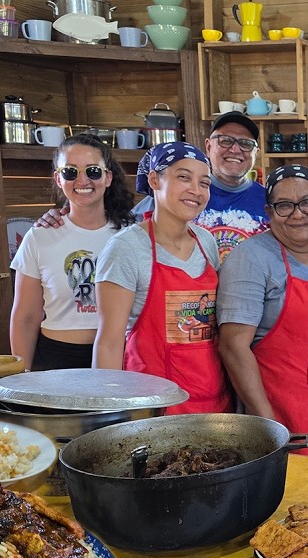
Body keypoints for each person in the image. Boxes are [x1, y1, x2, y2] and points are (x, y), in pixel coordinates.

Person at [218, 165, 308, 460]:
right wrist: (270, 425)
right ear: (269, 212)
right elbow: (233, 346)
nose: (298, 214)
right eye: (284, 205)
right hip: (292, 417)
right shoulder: (250, 258)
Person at [93, 142, 229, 415]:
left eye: (204, 183)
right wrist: (109, 413)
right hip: (153, 406)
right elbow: (109, 341)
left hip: (212, 401)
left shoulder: (206, 242)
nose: (196, 190)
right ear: (154, 179)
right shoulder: (126, 248)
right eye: (183, 177)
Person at [35, 113, 269, 263]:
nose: (235, 150)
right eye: (225, 141)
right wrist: (67, 214)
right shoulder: (168, 197)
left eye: (246, 144)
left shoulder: (269, 201)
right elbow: (114, 227)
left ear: (256, 152)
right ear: (208, 146)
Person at [10, 135, 136, 370]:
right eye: (70, 171)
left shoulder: (131, 236)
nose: (82, 180)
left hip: (122, 355)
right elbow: (25, 317)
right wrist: (21, 376)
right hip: (56, 360)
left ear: (108, 177)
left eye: (93, 171)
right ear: (58, 179)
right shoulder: (39, 236)